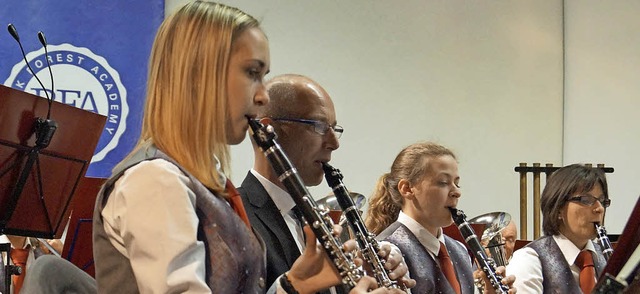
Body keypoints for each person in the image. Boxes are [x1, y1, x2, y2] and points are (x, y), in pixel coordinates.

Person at [91, 2, 396, 294]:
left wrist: (292, 286)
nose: (263, 96)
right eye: (252, 73)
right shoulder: (156, 181)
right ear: (200, 74)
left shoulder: (198, 181)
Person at [238, 73, 413, 293]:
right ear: (268, 130)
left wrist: (367, 279)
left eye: (334, 128)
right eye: (319, 126)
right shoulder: (236, 215)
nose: (334, 143)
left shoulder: (326, 225)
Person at [365, 142, 516, 294]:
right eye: (443, 182)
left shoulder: (460, 249)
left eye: (456, 183)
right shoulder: (388, 252)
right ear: (407, 188)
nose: (456, 192)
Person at [506, 164, 610, 293]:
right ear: (559, 207)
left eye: (602, 201)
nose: (599, 209)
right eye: (586, 200)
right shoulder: (529, 261)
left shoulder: (609, 260)